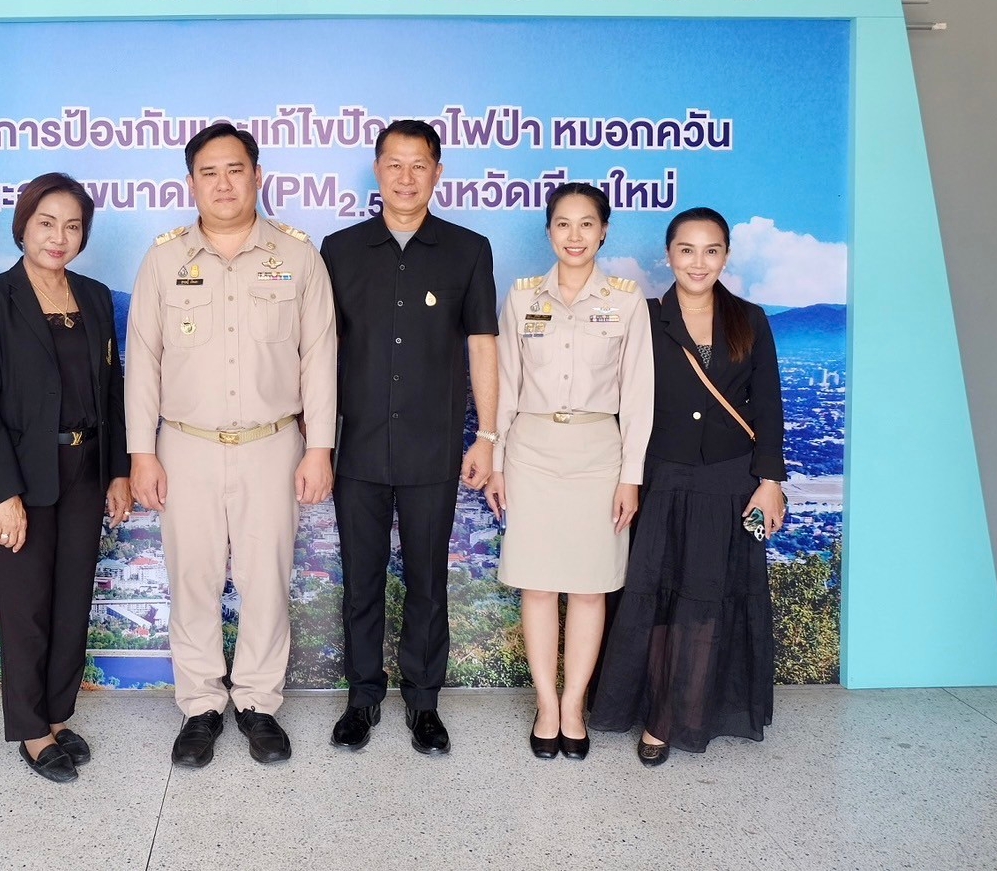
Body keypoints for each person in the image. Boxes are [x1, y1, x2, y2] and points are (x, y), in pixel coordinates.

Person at [126, 122, 337, 767]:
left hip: (272, 443)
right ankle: (200, 706)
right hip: (184, 444)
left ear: (257, 175)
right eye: (209, 173)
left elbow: (319, 357)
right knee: (191, 577)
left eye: (235, 170)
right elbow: (143, 359)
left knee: (265, 578)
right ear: (191, 183)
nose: (223, 184)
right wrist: (141, 451)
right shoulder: (164, 259)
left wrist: (319, 447)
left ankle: (257, 702)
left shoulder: (297, 255)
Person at [319, 119, 498, 755]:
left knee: (428, 580)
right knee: (360, 579)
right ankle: (362, 697)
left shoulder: (468, 250)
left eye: (418, 164)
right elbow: (320, 350)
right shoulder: (339, 250)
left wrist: (488, 435)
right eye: (394, 163)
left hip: (433, 447)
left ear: (437, 172)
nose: (405, 176)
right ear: (377, 170)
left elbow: (483, 345)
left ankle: (424, 702)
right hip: (358, 447)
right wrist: (318, 439)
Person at [591, 207, 787, 766]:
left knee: (706, 600)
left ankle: (683, 713)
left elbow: (768, 405)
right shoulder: (646, 316)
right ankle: (656, 710)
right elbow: (623, 398)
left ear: (725, 256)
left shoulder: (750, 319)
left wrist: (770, 481)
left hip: (729, 481)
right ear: (668, 254)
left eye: (711, 250)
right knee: (654, 597)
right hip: (662, 476)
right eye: (686, 250)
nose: (698, 262)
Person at [0, 173, 132, 783]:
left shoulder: (95, 296)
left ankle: (58, 716)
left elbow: (111, 391)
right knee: (26, 606)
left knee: (71, 600)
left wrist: (119, 471)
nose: (59, 237)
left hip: (86, 468)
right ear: (23, 226)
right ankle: (32, 731)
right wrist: (3, 493)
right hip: (23, 476)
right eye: (46, 223)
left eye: (73, 226)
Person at [484, 183, 652, 760]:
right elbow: (505, 385)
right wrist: (497, 461)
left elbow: (639, 396)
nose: (574, 235)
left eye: (586, 224)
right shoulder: (522, 297)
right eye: (562, 223)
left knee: (588, 585)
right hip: (530, 449)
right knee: (537, 583)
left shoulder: (626, 300)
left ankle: (574, 704)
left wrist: (630, 475)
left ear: (604, 231)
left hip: (598, 452)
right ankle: (546, 704)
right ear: (548, 231)